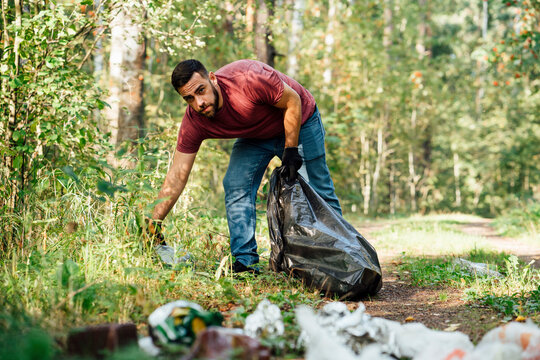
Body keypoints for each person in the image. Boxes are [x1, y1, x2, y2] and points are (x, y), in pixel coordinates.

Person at [149, 59, 342, 273]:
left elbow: (293, 100)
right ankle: (244, 260)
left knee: (317, 188)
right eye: (189, 99)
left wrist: (291, 150)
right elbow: (177, 175)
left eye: (201, 90)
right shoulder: (195, 121)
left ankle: (343, 254)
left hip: (300, 119)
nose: (199, 103)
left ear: (213, 78)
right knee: (235, 183)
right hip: (256, 134)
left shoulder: (248, 78)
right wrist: (152, 222)